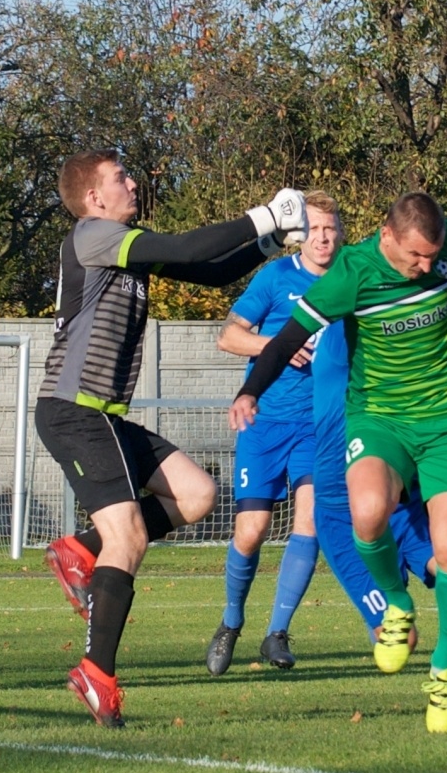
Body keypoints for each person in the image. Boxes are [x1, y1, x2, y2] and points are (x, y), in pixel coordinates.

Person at [230, 192, 447, 733]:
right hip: (377, 434)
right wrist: (251, 390)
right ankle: (394, 607)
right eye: (416, 257)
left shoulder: (445, 247)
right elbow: (285, 339)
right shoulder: (348, 279)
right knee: (368, 511)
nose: (426, 267)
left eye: (434, 257)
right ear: (387, 236)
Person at [38, 148, 308, 727]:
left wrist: (268, 242)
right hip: (75, 412)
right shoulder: (92, 236)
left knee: (196, 495)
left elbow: (205, 269)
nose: (132, 183)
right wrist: (266, 214)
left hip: (103, 417)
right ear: (94, 199)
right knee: (130, 535)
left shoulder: (124, 248)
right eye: (120, 178)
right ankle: (97, 673)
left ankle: (82, 548)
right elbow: (187, 246)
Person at [206, 191, 344, 675]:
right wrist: (278, 345)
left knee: (311, 523)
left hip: (320, 427)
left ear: (341, 233)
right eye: (314, 229)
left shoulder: (352, 282)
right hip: (264, 424)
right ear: (299, 234)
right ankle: (230, 622)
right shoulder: (277, 277)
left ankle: (278, 633)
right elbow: (228, 335)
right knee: (252, 531)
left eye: (330, 229)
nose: (322, 238)